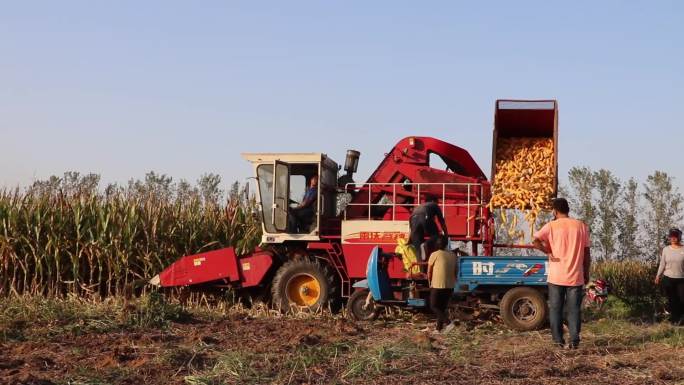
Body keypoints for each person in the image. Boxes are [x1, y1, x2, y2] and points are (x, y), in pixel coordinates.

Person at [532, 198, 591, 349]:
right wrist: (586, 272)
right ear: (568, 210)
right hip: (575, 276)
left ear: (555, 211)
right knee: (574, 310)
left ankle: (558, 341)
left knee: (556, 309)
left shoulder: (551, 226)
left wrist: (548, 251)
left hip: (556, 276)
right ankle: (574, 340)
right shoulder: (581, 226)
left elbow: (535, 240)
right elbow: (586, 253)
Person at [427, 236, 458, 332]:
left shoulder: (434, 254)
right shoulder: (453, 255)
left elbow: (429, 271)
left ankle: (449, 323)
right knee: (441, 307)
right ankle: (438, 329)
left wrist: (429, 282)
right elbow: (456, 271)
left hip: (437, 284)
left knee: (433, 306)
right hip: (450, 285)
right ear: (446, 245)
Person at [655, 228, 684, 325]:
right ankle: (674, 319)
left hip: (681, 279)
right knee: (672, 299)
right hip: (668, 278)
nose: (673, 238)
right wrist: (658, 276)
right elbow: (662, 264)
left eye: (675, 236)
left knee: (682, 299)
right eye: (671, 236)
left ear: (679, 236)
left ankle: (681, 318)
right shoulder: (666, 250)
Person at [410, 195, 448, 261]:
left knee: (418, 250)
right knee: (437, 236)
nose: (438, 204)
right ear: (433, 201)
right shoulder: (433, 204)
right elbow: (441, 220)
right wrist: (446, 233)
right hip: (424, 217)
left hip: (412, 220)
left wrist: (411, 238)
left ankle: (421, 268)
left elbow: (411, 228)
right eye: (437, 202)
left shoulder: (417, 207)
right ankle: (426, 244)